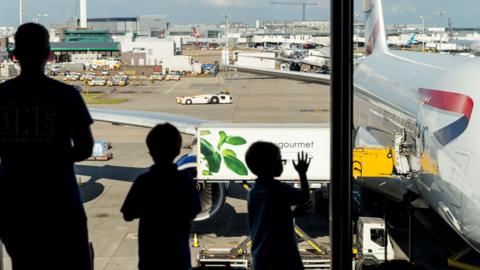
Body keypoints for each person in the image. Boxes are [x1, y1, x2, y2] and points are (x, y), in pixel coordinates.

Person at [0, 23, 94, 269]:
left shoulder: (2, 95)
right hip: (59, 200)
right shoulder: (66, 95)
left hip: (16, 203)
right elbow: (85, 147)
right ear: (48, 54)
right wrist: (55, 158)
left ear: (15, 54)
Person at [121, 123, 201, 270]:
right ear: (178, 150)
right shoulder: (185, 181)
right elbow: (195, 210)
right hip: (178, 258)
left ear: (150, 151)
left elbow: (127, 214)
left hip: (151, 258)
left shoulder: (143, 181)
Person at [246, 142, 311, 270]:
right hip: (282, 258)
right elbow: (304, 196)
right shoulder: (277, 189)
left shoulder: (254, 191)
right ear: (270, 165)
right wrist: (302, 173)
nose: (282, 163)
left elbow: (268, 219)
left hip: (261, 259)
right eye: (279, 160)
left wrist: (290, 214)